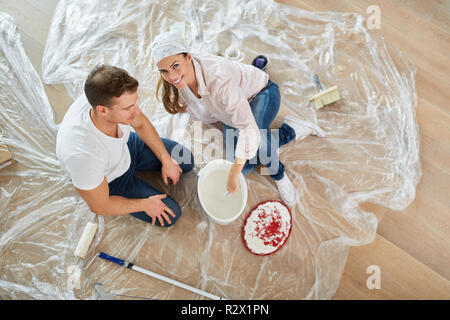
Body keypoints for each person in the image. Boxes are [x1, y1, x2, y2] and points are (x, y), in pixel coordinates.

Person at [150, 31, 324, 206]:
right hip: (232, 114)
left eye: (175, 66)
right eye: (164, 71)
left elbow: (249, 129)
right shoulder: (177, 83)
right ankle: (290, 130)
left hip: (261, 94)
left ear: (188, 56)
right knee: (246, 167)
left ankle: (278, 173)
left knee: (259, 143)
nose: (171, 76)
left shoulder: (218, 79)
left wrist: (233, 174)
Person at [56, 65, 194, 227]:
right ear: (103, 111)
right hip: (111, 179)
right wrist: (144, 204)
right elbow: (99, 206)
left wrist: (166, 160)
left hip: (126, 146)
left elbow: (141, 124)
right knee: (170, 215)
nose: (136, 112)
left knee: (185, 159)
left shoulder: (108, 100)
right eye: (128, 108)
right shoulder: (84, 155)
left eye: (135, 104)